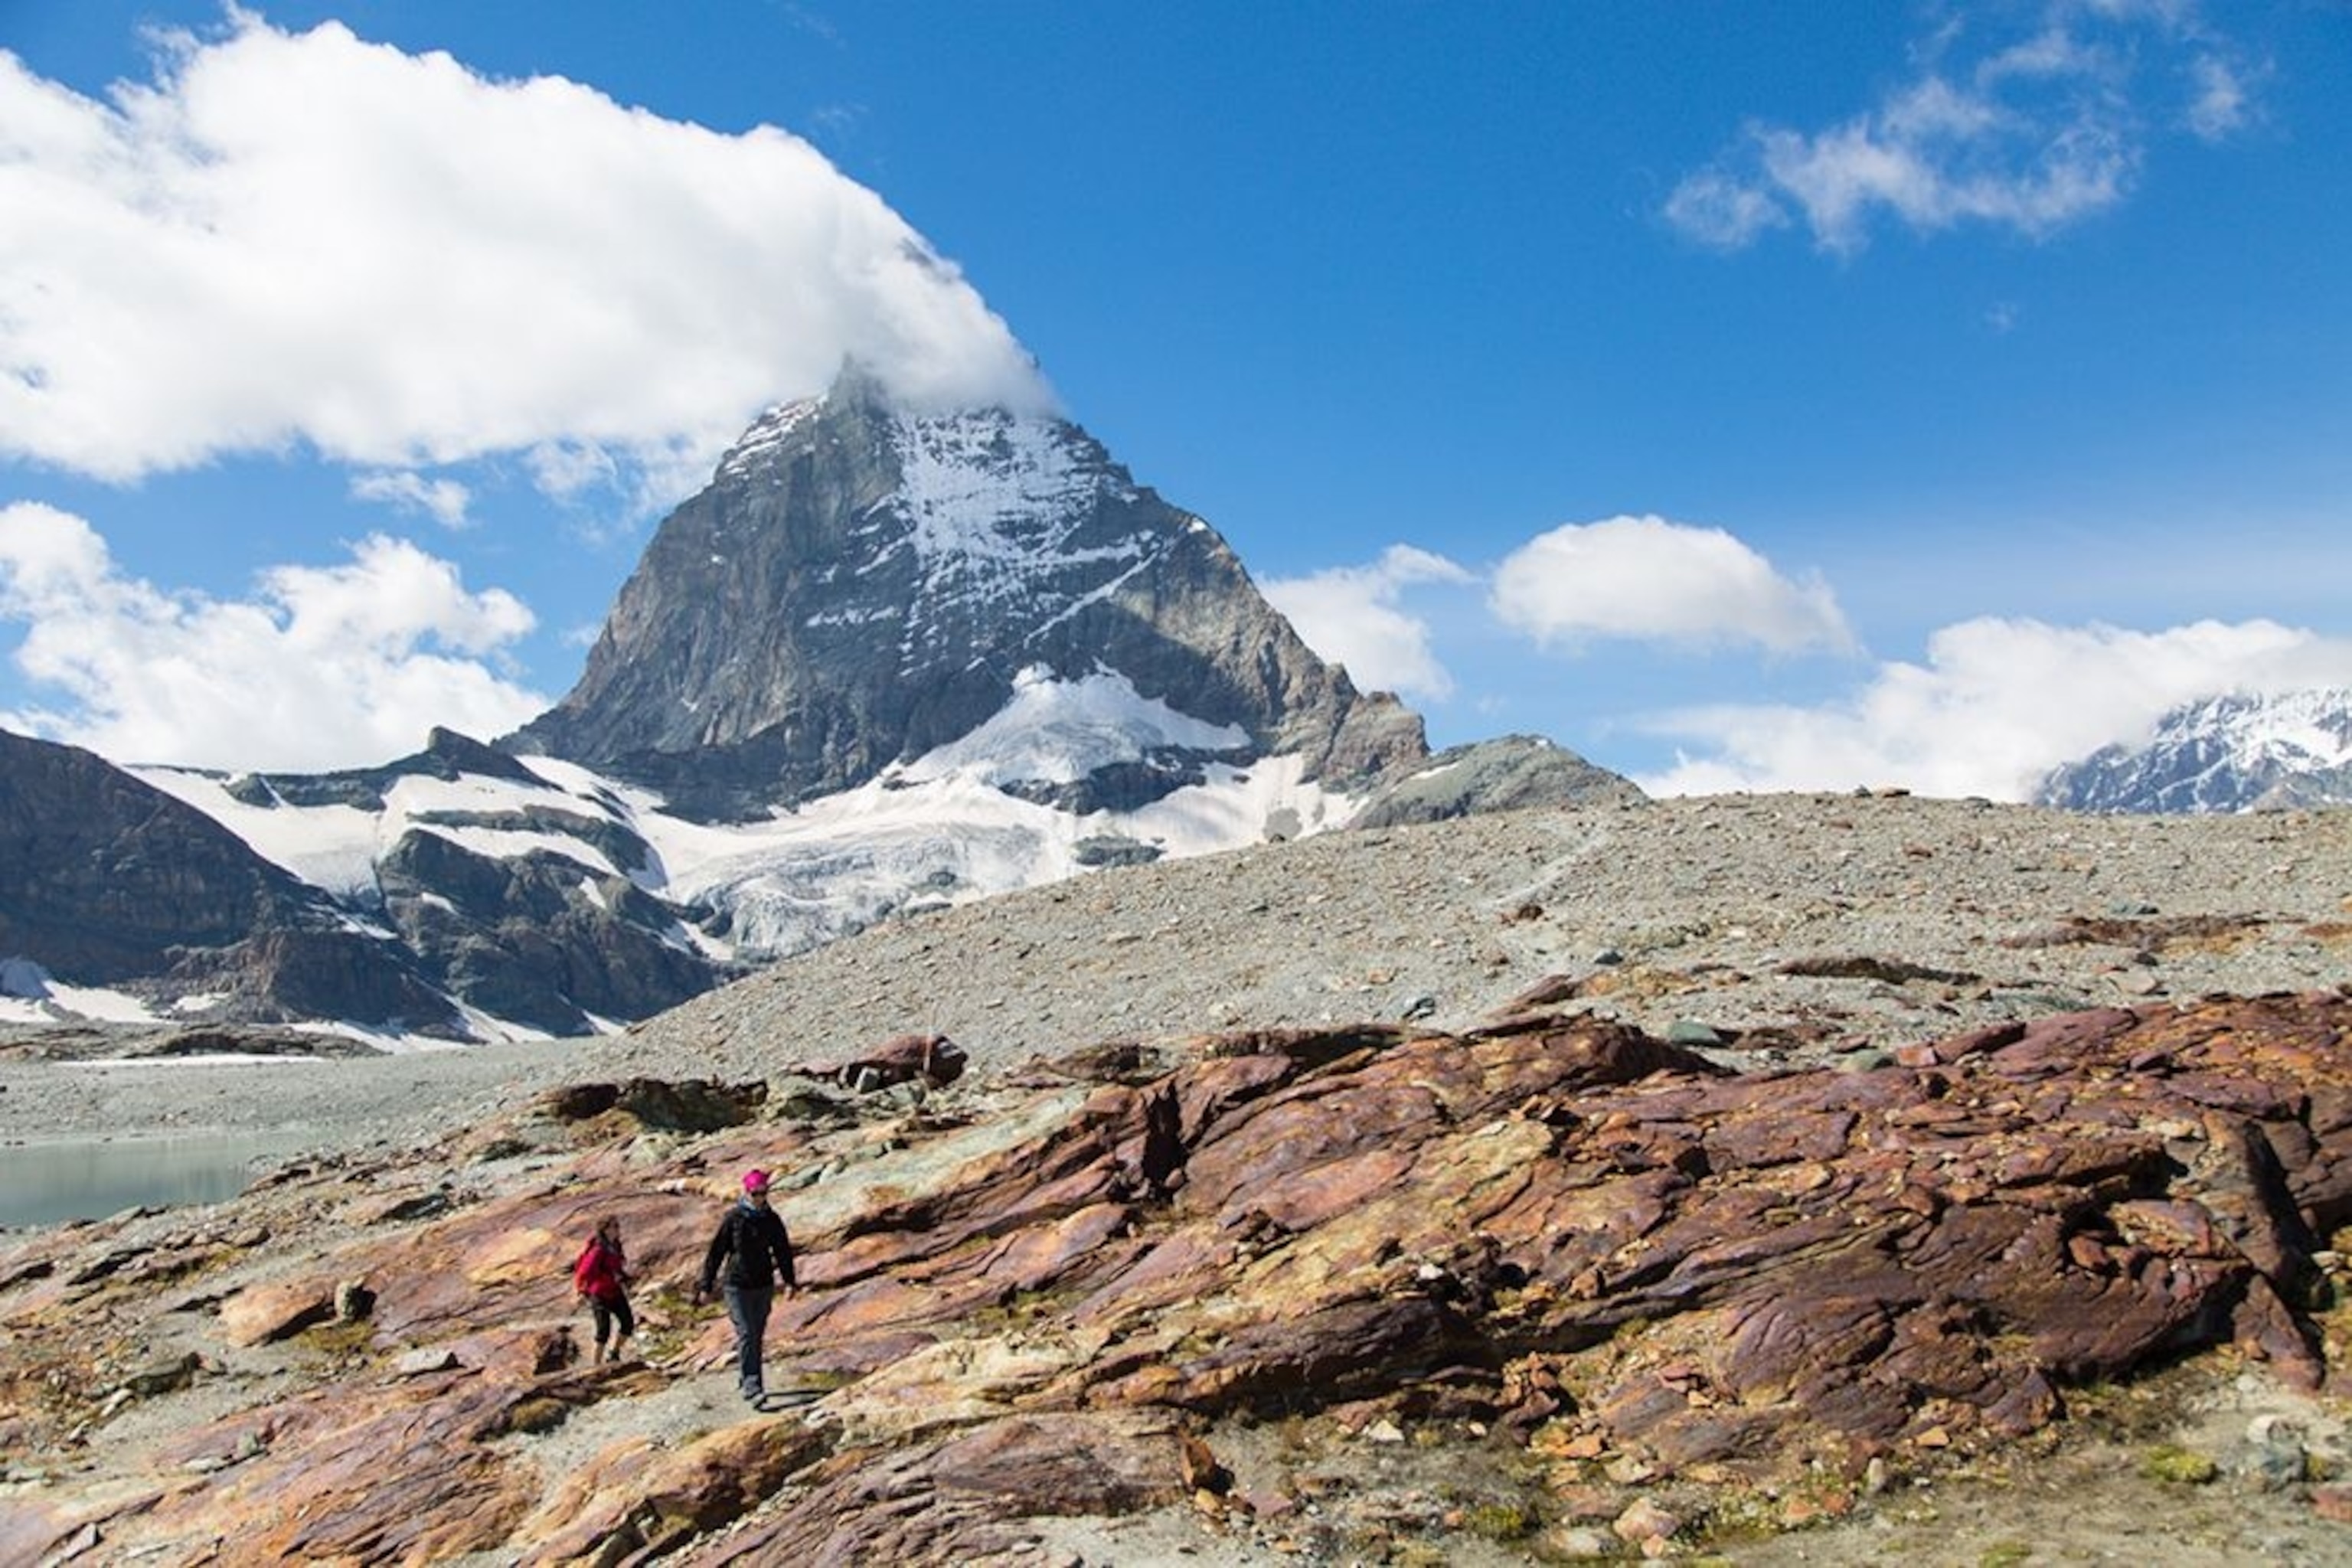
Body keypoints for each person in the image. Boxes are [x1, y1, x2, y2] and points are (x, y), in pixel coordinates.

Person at [696, 1167, 797, 1403]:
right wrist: (706, 1285)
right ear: (747, 1192)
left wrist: (790, 1281)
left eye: (764, 1193)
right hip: (736, 1285)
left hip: (763, 1285)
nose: (760, 1198)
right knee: (747, 1332)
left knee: (756, 1334)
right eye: (756, 1194)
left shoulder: (772, 1219)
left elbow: (782, 1251)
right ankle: (753, 1386)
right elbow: (716, 1252)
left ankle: (746, 1374)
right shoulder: (734, 1218)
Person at [572, 1215, 635, 1365]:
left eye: (617, 1226)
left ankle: (615, 1352)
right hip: (599, 1293)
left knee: (628, 1324)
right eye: (613, 1227)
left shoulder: (615, 1246)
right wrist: (581, 1290)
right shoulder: (598, 1250)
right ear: (605, 1230)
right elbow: (584, 1272)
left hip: (614, 1290)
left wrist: (625, 1278)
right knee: (603, 1330)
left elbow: (617, 1267)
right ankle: (596, 1364)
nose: (617, 1230)